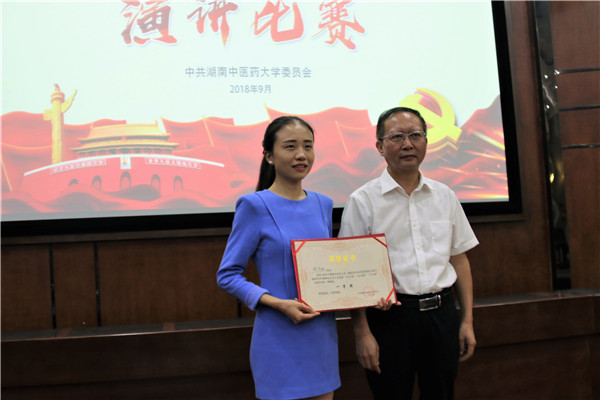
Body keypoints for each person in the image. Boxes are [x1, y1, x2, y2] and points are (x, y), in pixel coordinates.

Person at [338, 107, 478, 400]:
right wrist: (362, 333)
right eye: (397, 137)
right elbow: (351, 272)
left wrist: (467, 320)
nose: (407, 144)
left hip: (442, 315)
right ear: (380, 146)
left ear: (426, 141)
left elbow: (459, 259)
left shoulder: (444, 196)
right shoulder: (362, 201)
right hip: (390, 321)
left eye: (415, 135)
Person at [216, 116, 341, 400]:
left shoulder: (323, 204)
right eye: (290, 146)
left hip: (321, 334)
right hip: (278, 335)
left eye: (308, 146)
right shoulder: (254, 205)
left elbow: (328, 269)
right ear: (269, 156)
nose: (301, 154)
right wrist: (277, 303)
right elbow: (227, 275)